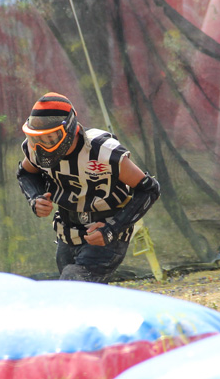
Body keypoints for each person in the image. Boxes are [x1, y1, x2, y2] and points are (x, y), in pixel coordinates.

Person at [17, 92, 161, 283]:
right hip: (67, 231)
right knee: (83, 293)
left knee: (72, 283)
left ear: (69, 130)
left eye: (50, 138)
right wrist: (35, 197)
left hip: (105, 232)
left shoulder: (103, 151)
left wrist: (113, 228)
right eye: (36, 138)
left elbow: (149, 189)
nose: (42, 146)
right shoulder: (34, 150)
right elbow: (26, 173)